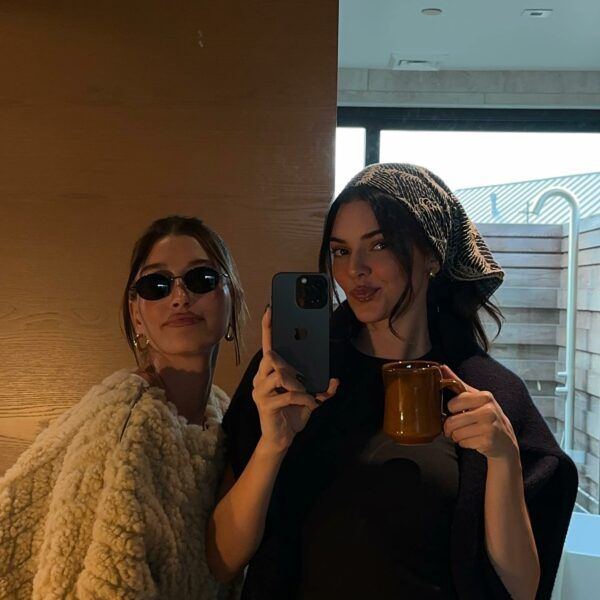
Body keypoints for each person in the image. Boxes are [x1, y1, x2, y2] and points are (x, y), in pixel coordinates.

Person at [208, 164, 578, 600]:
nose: (355, 269)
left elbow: (523, 589)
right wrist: (273, 445)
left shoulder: (486, 393)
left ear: (432, 255)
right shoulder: (287, 378)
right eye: (340, 251)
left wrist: (504, 458)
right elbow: (222, 560)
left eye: (379, 245)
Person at [0, 215, 246, 600]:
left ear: (232, 300)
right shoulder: (124, 428)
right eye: (156, 285)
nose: (179, 297)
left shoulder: (224, 413)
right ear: (136, 315)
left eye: (201, 278)